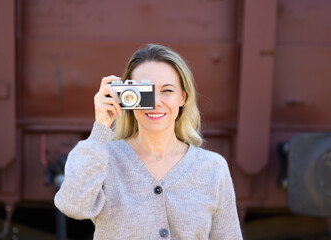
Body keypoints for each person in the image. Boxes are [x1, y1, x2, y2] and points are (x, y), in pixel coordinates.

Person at [54, 44, 243, 239]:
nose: (155, 102)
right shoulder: (104, 158)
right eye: (145, 91)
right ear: (127, 95)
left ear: (183, 98)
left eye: (167, 90)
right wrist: (101, 128)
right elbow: (73, 206)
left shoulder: (212, 168)